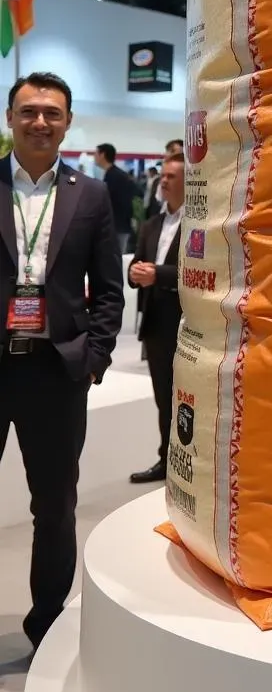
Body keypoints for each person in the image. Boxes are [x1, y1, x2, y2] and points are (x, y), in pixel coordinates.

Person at [0, 72, 123, 650]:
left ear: (68, 122)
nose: (40, 122)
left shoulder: (90, 195)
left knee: (54, 507)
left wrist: (94, 357)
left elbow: (109, 288)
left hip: (57, 372)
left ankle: (46, 627)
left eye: (52, 112)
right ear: (10, 118)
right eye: (29, 111)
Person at [128, 153, 184, 483]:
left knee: (186, 400)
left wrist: (158, 274)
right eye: (162, 176)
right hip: (155, 325)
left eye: (171, 177)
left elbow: (204, 272)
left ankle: (190, 465)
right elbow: (136, 265)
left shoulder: (199, 226)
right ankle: (167, 460)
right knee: (164, 398)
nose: (163, 181)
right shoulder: (152, 224)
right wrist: (134, 273)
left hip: (186, 326)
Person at [94, 142, 137, 253]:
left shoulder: (116, 176)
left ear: (102, 155)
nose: (94, 157)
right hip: (117, 225)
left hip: (118, 226)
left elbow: (119, 203)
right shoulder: (113, 174)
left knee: (115, 256)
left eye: (96, 154)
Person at [144, 140, 183, 220]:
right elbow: (154, 204)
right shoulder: (156, 182)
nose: (169, 154)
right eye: (168, 151)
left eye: (173, 151)